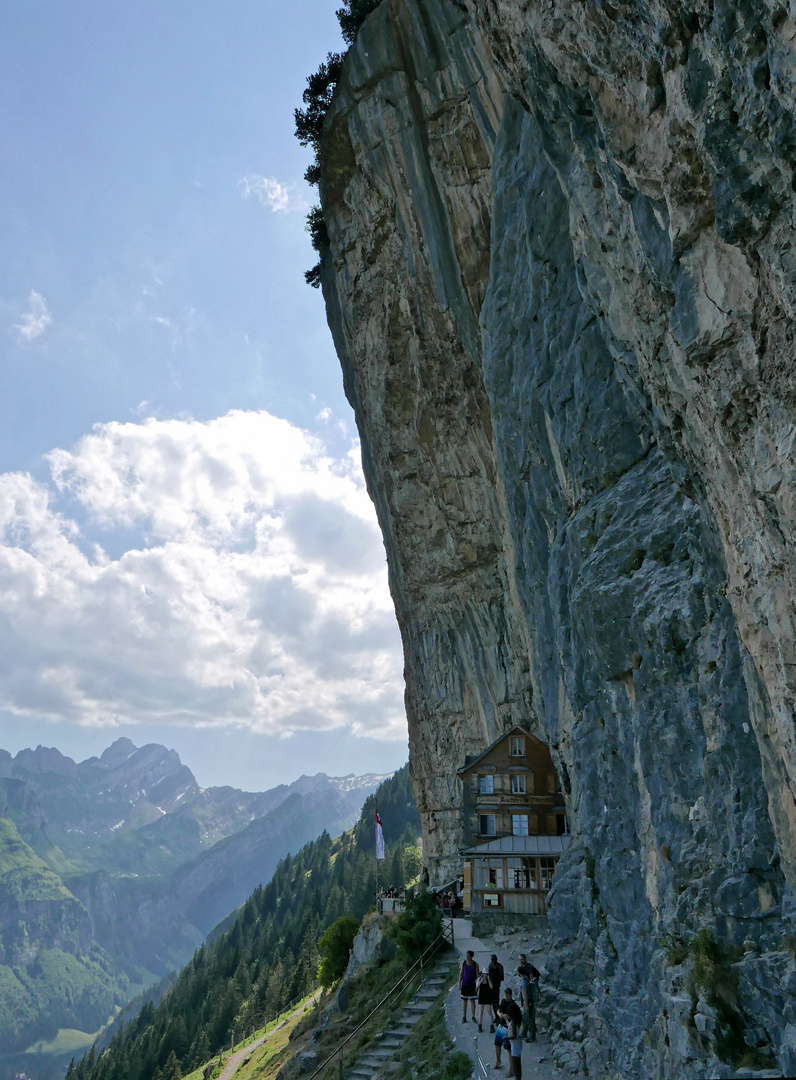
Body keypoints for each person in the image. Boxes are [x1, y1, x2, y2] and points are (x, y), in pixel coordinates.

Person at [496, 987, 523, 1078]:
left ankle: (516, 1076)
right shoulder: (515, 1020)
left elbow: (514, 1035)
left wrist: (506, 1038)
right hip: (516, 1043)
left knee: (516, 1064)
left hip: (515, 1044)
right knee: (517, 1064)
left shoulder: (514, 1022)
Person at [517, 957, 540, 1041]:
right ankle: (524, 1033)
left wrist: (525, 1005)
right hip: (529, 1002)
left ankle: (531, 1036)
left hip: (527, 1002)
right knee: (526, 1018)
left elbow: (525, 994)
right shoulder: (526, 979)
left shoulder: (524, 982)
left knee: (529, 1019)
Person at [459, 950, 479, 1022]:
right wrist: (459, 983)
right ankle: (464, 1017)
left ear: (471, 956)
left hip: (472, 985)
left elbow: (477, 976)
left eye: (468, 956)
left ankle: (473, 1016)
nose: (467, 957)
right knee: (464, 1001)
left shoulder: (475, 964)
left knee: (472, 1001)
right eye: (466, 956)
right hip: (465, 984)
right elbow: (461, 973)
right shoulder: (464, 963)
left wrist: (477, 987)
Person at [488, 954, 504, 1030]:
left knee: (496, 1002)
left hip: (496, 986)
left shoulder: (499, 966)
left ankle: (498, 1017)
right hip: (492, 986)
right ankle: (496, 1016)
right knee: (493, 1003)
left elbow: (501, 977)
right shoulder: (491, 965)